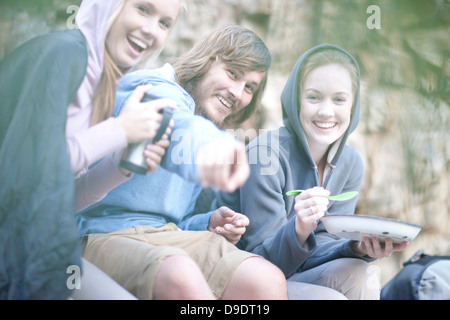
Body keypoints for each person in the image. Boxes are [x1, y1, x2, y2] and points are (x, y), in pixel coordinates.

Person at [77, 25, 288, 300]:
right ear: (207, 61)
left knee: (266, 280)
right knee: (181, 274)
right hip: (101, 235)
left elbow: (174, 222)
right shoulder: (152, 88)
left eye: (249, 87)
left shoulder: (207, 122)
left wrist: (207, 223)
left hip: (166, 238)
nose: (238, 93)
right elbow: (176, 124)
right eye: (232, 73)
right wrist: (215, 149)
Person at [0, 0, 184, 299]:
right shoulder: (63, 54)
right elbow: (23, 178)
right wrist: (119, 130)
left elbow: (57, 199)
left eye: (165, 23)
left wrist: (119, 168)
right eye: (142, 9)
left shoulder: (102, 81)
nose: (151, 30)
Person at [216, 44, 409, 300]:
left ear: (354, 105)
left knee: (362, 273)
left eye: (339, 99)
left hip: (294, 272)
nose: (326, 111)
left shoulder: (351, 163)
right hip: (242, 280)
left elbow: (325, 241)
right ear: (296, 100)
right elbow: (258, 261)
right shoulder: (264, 155)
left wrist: (357, 247)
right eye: (314, 97)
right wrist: (299, 229)